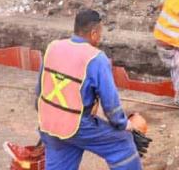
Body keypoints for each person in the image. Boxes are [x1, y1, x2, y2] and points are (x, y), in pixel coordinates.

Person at [37, 9, 150, 170]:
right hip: (77, 123)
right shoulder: (95, 58)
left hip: (48, 122)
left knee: (62, 155)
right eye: (100, 33)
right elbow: (110, 104)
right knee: (123, 143)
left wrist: (48, 114)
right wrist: (123, 124)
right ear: (93, 33)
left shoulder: (53, 47)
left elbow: (40, 89)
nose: (100, 37)